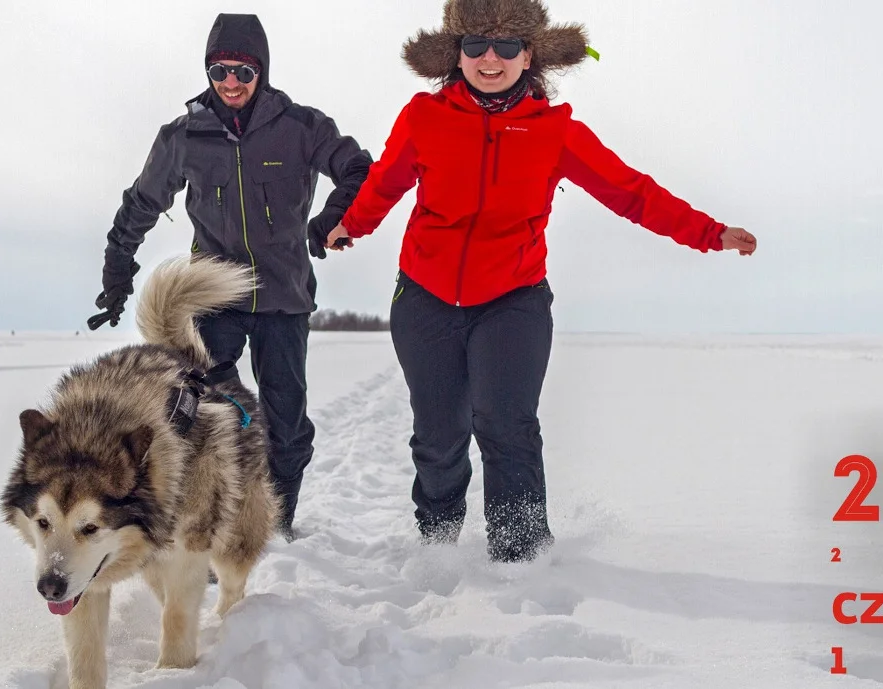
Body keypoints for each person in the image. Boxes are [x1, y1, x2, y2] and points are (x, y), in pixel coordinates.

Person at [323, 0, 757, 563]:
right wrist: (349, 225)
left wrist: (709, 232)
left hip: (513, 299)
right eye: (476, 44)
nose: (490, 58)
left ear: (529, 56)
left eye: (507, 46)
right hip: (425, 296)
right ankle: (437, 540)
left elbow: (631, 192)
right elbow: (384, 183)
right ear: (457, 53)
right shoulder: (424, 117)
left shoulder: (555, 132)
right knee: (439, 435)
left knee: (506, 424)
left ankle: (520, 556)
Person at [89, 13, 373, 541]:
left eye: (243, 71)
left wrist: (330, 220)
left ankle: (277, 523)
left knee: (287, 426)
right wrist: (117, 270)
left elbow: (359, 168)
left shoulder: (302, 127)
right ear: (208, 72)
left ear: (261, 70)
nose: (232, 83)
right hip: (213, 295)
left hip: (283, 297)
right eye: (220, 71)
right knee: (204, 410)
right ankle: (209, 521)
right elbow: (141, 204)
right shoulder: (184, 137)